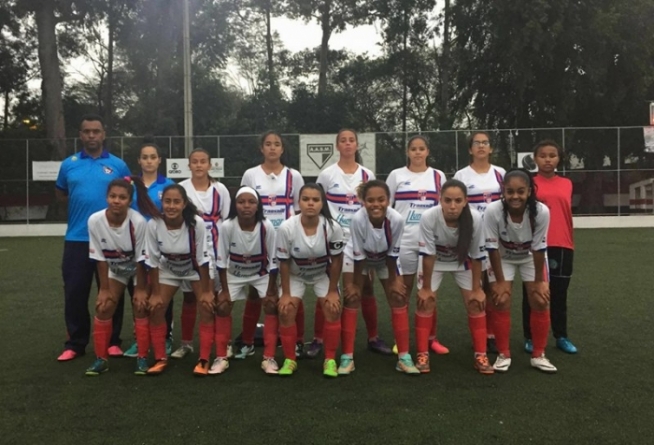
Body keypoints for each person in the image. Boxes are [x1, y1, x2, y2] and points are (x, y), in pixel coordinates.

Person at [55, 114, 131, 361]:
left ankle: (112, 341)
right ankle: (75, 343)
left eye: (96, 131)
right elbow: (62, 195)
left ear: (103, 134)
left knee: (111, 290)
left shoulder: (118, 165)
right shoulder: (69, 164)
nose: (91, 135)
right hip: (77, 239)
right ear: (80, 135)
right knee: (75, 292)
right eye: (86, 131)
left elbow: (128, 196)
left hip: (111, 240)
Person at [316, 129, 391, 358]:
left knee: (366, 288)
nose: (347, 144)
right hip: (335, 240)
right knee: (328, 289)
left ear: (357, 145)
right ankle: (319, 340)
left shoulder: (367, 174)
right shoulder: (327, 174)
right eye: (343, 140)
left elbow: (375, 206)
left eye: (351, 140)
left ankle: (373, 337)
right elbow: (319, 205)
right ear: (337, 146)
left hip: (361, 239)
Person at [339, 179, 419, 375]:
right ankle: (347, 358)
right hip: (359, 258)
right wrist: (355, 285)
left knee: (398, 296)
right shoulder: (358, 219)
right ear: (363, 202)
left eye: (381, 199)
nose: (376, 204)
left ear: (388, 200)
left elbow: (393, 253)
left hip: (385, 258)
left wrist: (394, 280)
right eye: (370, 200)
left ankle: (404, 357)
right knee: (352, 297)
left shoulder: (397, 220)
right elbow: (358, 254)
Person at [239, 131, 305, 359]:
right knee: (255, 291)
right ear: (262, 148)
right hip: (259, 240)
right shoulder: (250, 174)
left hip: (287, 239)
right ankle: (246, 341)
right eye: (268, 144)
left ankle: (297, 342)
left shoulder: (294, 176)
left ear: (282, 149)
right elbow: (245, 206)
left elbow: (299, 210)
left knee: (291, 290)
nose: (272, 148)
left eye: (277, 144)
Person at [84, 177, 160, 375]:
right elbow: (99, 257)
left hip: (138, 270)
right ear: (106, 197)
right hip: (115, 269)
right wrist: (104, 289)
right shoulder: (94, 220)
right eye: (112, 196)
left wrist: (142, 289)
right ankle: (101, 359)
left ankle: (142, 358)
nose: (116, 201)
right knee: (104, 306)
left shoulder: (138, 222)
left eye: (122, 197)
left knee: (141, 306)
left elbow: (142, 258)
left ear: (129, 200)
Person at [417, 179, 494, 374]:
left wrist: (477, 289)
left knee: (475, 303)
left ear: (466, 201)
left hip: (464, 262)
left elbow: (477, 256)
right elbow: (428, 254)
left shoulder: (475, 219)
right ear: (439, 199)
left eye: (458, 201)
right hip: (435, 262)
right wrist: (426, 288)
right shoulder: (428, 216)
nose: (452, 206)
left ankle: (480, 355)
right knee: (425, 302)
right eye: (448, 200)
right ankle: (422, 353)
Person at [484, 169, 557, 373]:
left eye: (520, 191)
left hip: (530, 258)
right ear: (503, 191)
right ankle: (503, 354)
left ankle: (539, 354)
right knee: (501, 299)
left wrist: (539, 281)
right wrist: (499, 282)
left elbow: (539, 248)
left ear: (529, 192)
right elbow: (491, 248)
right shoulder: (492, 211)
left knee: (540, 299)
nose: (515, 196)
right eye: (510, 191)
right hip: (502, 257)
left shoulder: (541, 211)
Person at [386, 135, 449, 355]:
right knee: (402, 291)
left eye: (421, 149)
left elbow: (445, 206)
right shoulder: (396, 175)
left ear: (427, 151)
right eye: (413, 149)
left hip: (430, 243)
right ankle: (400, 339)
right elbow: (387, 207)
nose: (418, 153)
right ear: (408, 152)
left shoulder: (438, 176)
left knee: (429, 291)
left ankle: (432, 339)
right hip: (404, 242)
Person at [144, 185, 215, 375]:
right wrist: (156, 294)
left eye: (176, 202)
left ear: (184, 204)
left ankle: (204, 359)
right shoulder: (154, 224)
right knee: (156, 308)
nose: (171, 206)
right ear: (162, 203)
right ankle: (160, 358)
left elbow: (202, 259)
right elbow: (152, 260)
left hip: (194, 268)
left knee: (207, 307)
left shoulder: (196, 223)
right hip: (169, 269)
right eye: (167, 201)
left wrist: (208, 291)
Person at [276, 184, 345, 377]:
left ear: (322, 203)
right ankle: (290, 359)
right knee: (286, 309)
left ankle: (329, 359)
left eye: (315, 200)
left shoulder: (332, 227)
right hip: (295, 275)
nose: (310, 203)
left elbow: (337, 260)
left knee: (333, 308)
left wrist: (332, 291)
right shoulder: (286, 227)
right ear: (299, 202)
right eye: (306, 199)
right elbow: (283, 262)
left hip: (321, 274)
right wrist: (287, 294)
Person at [171, 148, 230, 359]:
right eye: (194, 161)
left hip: (215, 247)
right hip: (191, 247)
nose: (198, 165)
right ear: (189, 165)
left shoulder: (220, 189)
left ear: (210, 165)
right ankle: (187, 343)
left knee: (215, 296)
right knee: (189, 297)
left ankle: (223, 342)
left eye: (202, 161)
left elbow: (226, 220)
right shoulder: (181, 188)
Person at [213, 187, 279, 375]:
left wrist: (271, 290)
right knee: (223, 306)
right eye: (241, 202)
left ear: (258, 206)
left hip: (261, 273)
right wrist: (224, 291)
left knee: (272, 305)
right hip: (234, 274)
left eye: (251, 202)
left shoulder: (266, 227)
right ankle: (221, 356)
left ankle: (269, 358)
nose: (246, 206)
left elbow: (274, 261)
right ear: (235, 205)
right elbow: (221, 261)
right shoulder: (227, 226)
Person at [522, 140, 577, 354]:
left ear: (559, 159)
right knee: (533, 293)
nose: (547, 159)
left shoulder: (567, 183)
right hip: (534, 245)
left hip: (562, 244)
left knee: (559, 293)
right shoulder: (528, 183)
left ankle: (561, 336)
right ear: (535, 159)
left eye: (552, 155)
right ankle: (530, 337)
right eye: (543, 155)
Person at [454, 131, 506, 354]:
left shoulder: (500, 173)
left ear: (491, 148)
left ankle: (492, 334)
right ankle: (480, 332)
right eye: (477, 143)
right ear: (470, 149)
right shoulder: (461, 175)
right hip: (473, 238)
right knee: (476, 286)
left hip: (496, 238)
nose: (481, 146)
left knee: (494, 286)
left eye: (485, 143)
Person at [123, 138, 175, 358]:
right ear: (139, 160)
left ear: (159, 160)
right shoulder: (130, 185)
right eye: (145, 157)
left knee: (162, 292)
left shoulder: (168, 185)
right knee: (138, 293)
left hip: (161, 247)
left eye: (153, 157)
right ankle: (140, 338)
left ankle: (166, 337)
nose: (149, 161)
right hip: (134, 246)